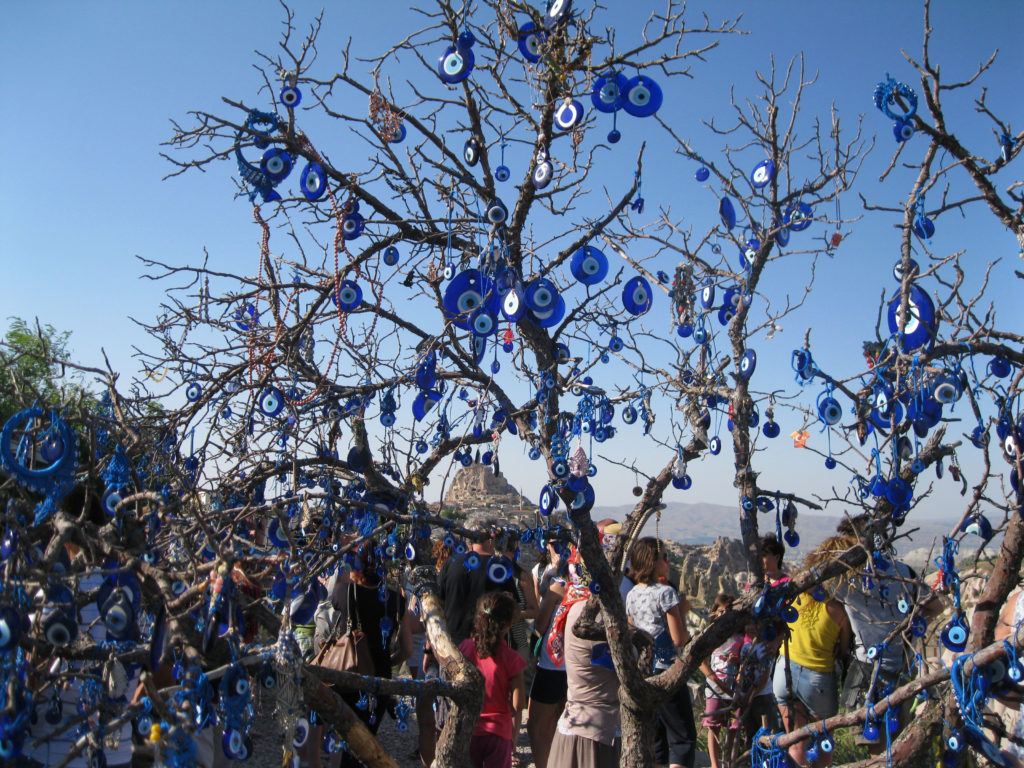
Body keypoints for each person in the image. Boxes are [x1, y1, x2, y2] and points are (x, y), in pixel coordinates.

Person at [832, 516, 935, 751]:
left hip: (865, 669)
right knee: (894, 744)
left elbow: (824, 598)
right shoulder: (902, 571)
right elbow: (935, 604)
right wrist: (910, 626)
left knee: (873, 748)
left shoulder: (845, 579)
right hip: (899, 666)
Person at [330, 540, 411, 768]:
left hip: (348, 674)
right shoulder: (396, 600)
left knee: (346, 741)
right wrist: (387, 661)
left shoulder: (344, 592)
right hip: (379, 679)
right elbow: (408, 649)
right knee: (367, 742)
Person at [774, 536, 852, 768]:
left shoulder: (796, 596)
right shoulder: (837, 609)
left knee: (796, 741)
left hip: (784, 670)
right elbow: (844, 650)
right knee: (822, 743)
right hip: (817, 679)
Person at [625, 537, 696, 768]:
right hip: (667, 671)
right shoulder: (665, 593)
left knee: (657, 740)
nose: (668, 561)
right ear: (653, 562)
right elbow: (678, 638)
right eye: (664, 557)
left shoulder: (632, 593)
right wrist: (683, 612)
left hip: (644, 673)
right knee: (682, 738)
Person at [547, 549, 620, 768]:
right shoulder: (596, 617)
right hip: (594, 734)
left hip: (575, 723)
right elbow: (624, 666)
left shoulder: (574, 607)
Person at [459, 592, 527, 768]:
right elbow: (519, 704)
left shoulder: (465, 648)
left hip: (468, 727)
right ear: (508, 624)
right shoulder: (512, 659)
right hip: (498, 732)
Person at [438, 514, 520, 644]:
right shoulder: (500, 568)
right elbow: (513, 609)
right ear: (490, 540)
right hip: (487, 646)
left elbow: (439, 603)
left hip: (452, 645)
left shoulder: (450, 563)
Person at [527, 543, 569, 768]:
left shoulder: (558, 587)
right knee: (561, 721)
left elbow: (540, 625)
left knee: (536, 726)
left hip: (552, 664)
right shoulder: (592, 587)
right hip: (576, 665)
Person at [700, 594, 742, 768]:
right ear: (714, 613)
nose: (724, 615)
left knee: (734, 726)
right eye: (721, 611)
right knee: (713, 725)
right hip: (715, 686)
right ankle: (714, 764)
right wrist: (713, 677)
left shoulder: (740, 635)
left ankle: (730, 762)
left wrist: (737, 660)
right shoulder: (711, 634)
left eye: (728, 611)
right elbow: (700, 659)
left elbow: (746, 658)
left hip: (735, 686)